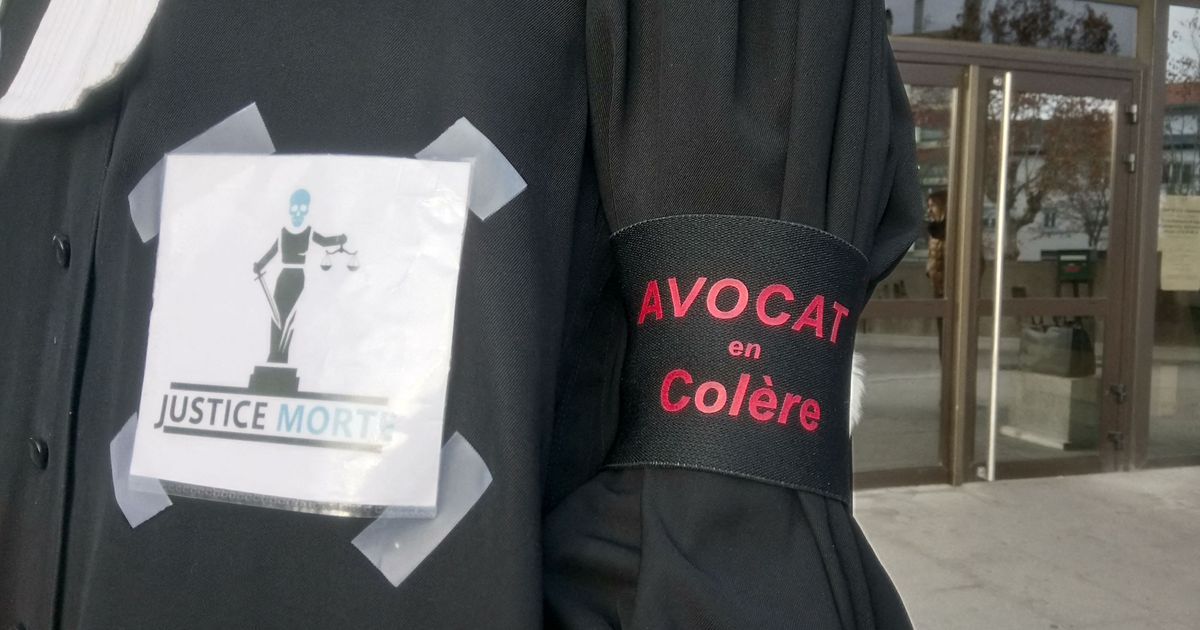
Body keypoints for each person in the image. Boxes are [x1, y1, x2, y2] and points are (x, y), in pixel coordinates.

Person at [251, 189, 347, 365]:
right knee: (277, 314)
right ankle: (274, 354)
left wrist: (339, 239)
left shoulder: (308, 232)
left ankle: (283, 355)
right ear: (289, 208)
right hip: (283, 277)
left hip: (298, 278)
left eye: (302, 208)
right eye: (294, 208)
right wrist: (260, 265)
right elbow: (272, 252)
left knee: (290, 316)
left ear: (307, 210)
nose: (297, 213)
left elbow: (324, 241)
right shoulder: (282, 232)